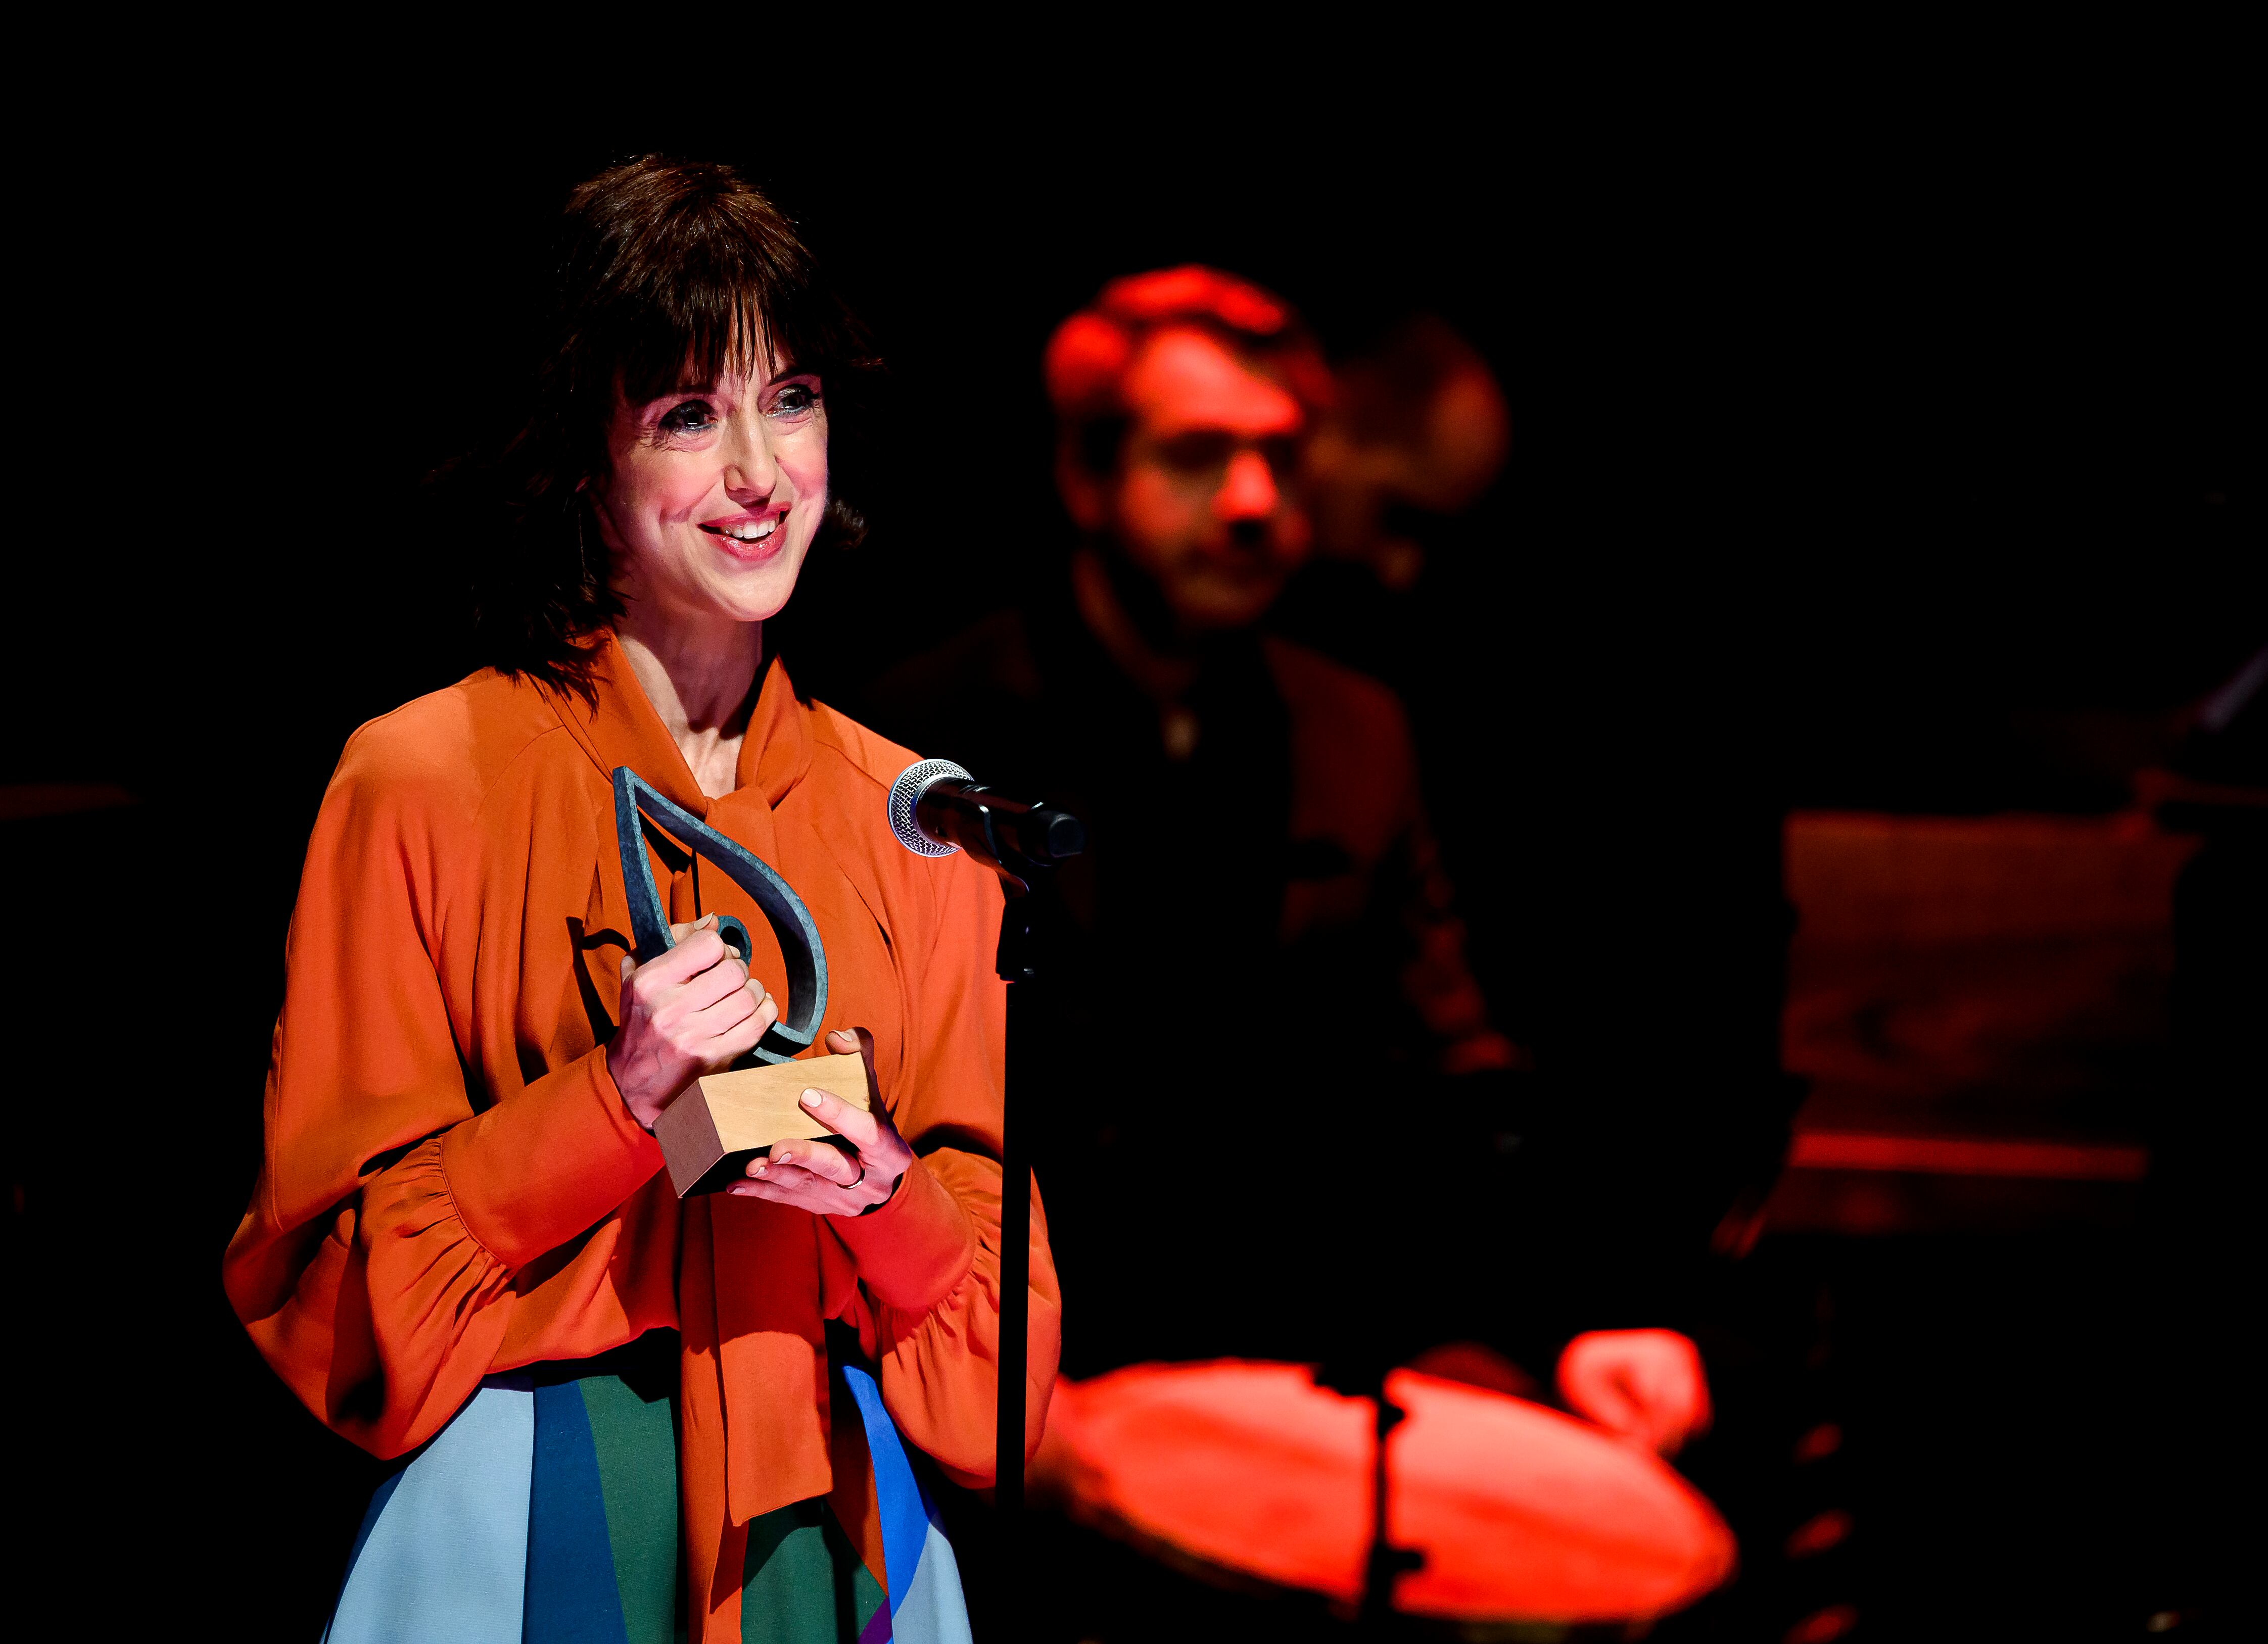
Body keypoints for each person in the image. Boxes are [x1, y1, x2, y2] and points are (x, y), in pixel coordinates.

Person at [223, 157, 1055, 1644]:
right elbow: (330, 1303)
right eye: (686, 415)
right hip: (532, 1508)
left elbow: (1005, 1354)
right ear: (580, 468)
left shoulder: (912, 815)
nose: (760, 473)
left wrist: (883, 1197)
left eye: (789, 400)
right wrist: (616, 1099)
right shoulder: (420, 779)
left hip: (845, 1516)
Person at [860, 267, 1705, 1458]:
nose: (1255, 500)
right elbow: (853, 1106)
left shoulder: (1355, 732)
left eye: (1282, 455)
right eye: (1197, 455)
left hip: (1282, 1362)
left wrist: (1586, 1314)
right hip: (1022, 1377)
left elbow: (1456, 1076)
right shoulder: (921, 737)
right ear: (1086, 479)